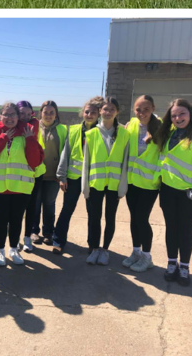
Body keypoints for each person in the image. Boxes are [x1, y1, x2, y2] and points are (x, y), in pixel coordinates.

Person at [0, 101, 43, 267]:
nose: (9, 118)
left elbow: (34, 161)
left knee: (16, 220)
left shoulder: (27, 133)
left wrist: (30, 139)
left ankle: (13, 249)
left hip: (20, 188)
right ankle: (0, 250)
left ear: (18, 116)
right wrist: (3, 138)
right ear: (0, 116)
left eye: (13, 114)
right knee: (0, 220)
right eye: (6, 114)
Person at [159, 99, 192, 286]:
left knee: (186, 230)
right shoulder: (168, 133)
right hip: (168, 191)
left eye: (182, 113)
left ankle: (184, 266)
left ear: (191, 112)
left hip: (190, 194)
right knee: (171, 228)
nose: (178, 118)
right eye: (174, 115)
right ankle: (171, 263)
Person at [53, 96, 104, 253]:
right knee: (67, 209)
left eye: (93, 112)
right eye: (87, 112)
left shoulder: (103, 131)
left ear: (99, 114)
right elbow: (65, 153)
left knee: (93, 212)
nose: (89, 115)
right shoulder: (74, 130)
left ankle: (93, 244)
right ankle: (58, 240)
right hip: (73, 178)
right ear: (83, 113)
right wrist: (62, 176)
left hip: (93, 179)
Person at [83, 96, 129, 266]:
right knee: (95, 217)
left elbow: (125, 162)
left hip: (114, 185)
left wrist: (122, 187)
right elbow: (86, 163)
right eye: (105, 109)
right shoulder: (91, 134)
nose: (108, 112)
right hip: (96, 184)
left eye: (112, 109)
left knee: (110, 218)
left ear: (117, 112)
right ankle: (95, 248)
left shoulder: (124, 133)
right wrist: (85, 187)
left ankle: (105, 250)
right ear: (100, 111)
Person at [123, 95, 163, 273]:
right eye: (138, 109)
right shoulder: (130, 125)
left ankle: (147, 257)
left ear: (153, 109)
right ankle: (136, 252)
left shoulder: (161, 126)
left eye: (146, 109)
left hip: (149, 182)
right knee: (134, 218)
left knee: (141, 218)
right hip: (132, 181)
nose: (142, 113)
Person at [24, 101, 66, 251]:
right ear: (40, 113)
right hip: (36, 173)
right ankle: (34, 232)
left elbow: (65, 152)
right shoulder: (33, 128)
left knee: (49, 204)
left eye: (51, 112)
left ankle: (48, 232)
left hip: (53, 175)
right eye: (45, 112)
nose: (48, 115)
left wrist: (61, 174)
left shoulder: (62, 130)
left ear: (56, 114)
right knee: (35, 203)